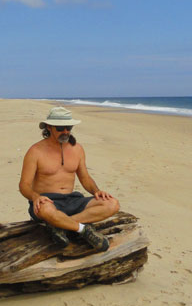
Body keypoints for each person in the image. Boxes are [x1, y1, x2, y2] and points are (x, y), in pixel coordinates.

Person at [19, 106, 120, 251]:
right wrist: (35, 197)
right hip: (47, 201)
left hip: (72, 200)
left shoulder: (77, 149)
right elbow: (24, 185)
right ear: (49, 127)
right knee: (47, 210)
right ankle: (83, 230)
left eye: (68, 127)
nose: (65, 131)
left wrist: (96, 191)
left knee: (112, 204)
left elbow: (85, 178)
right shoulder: (35, 151)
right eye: (60, 128)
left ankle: (60, 226)